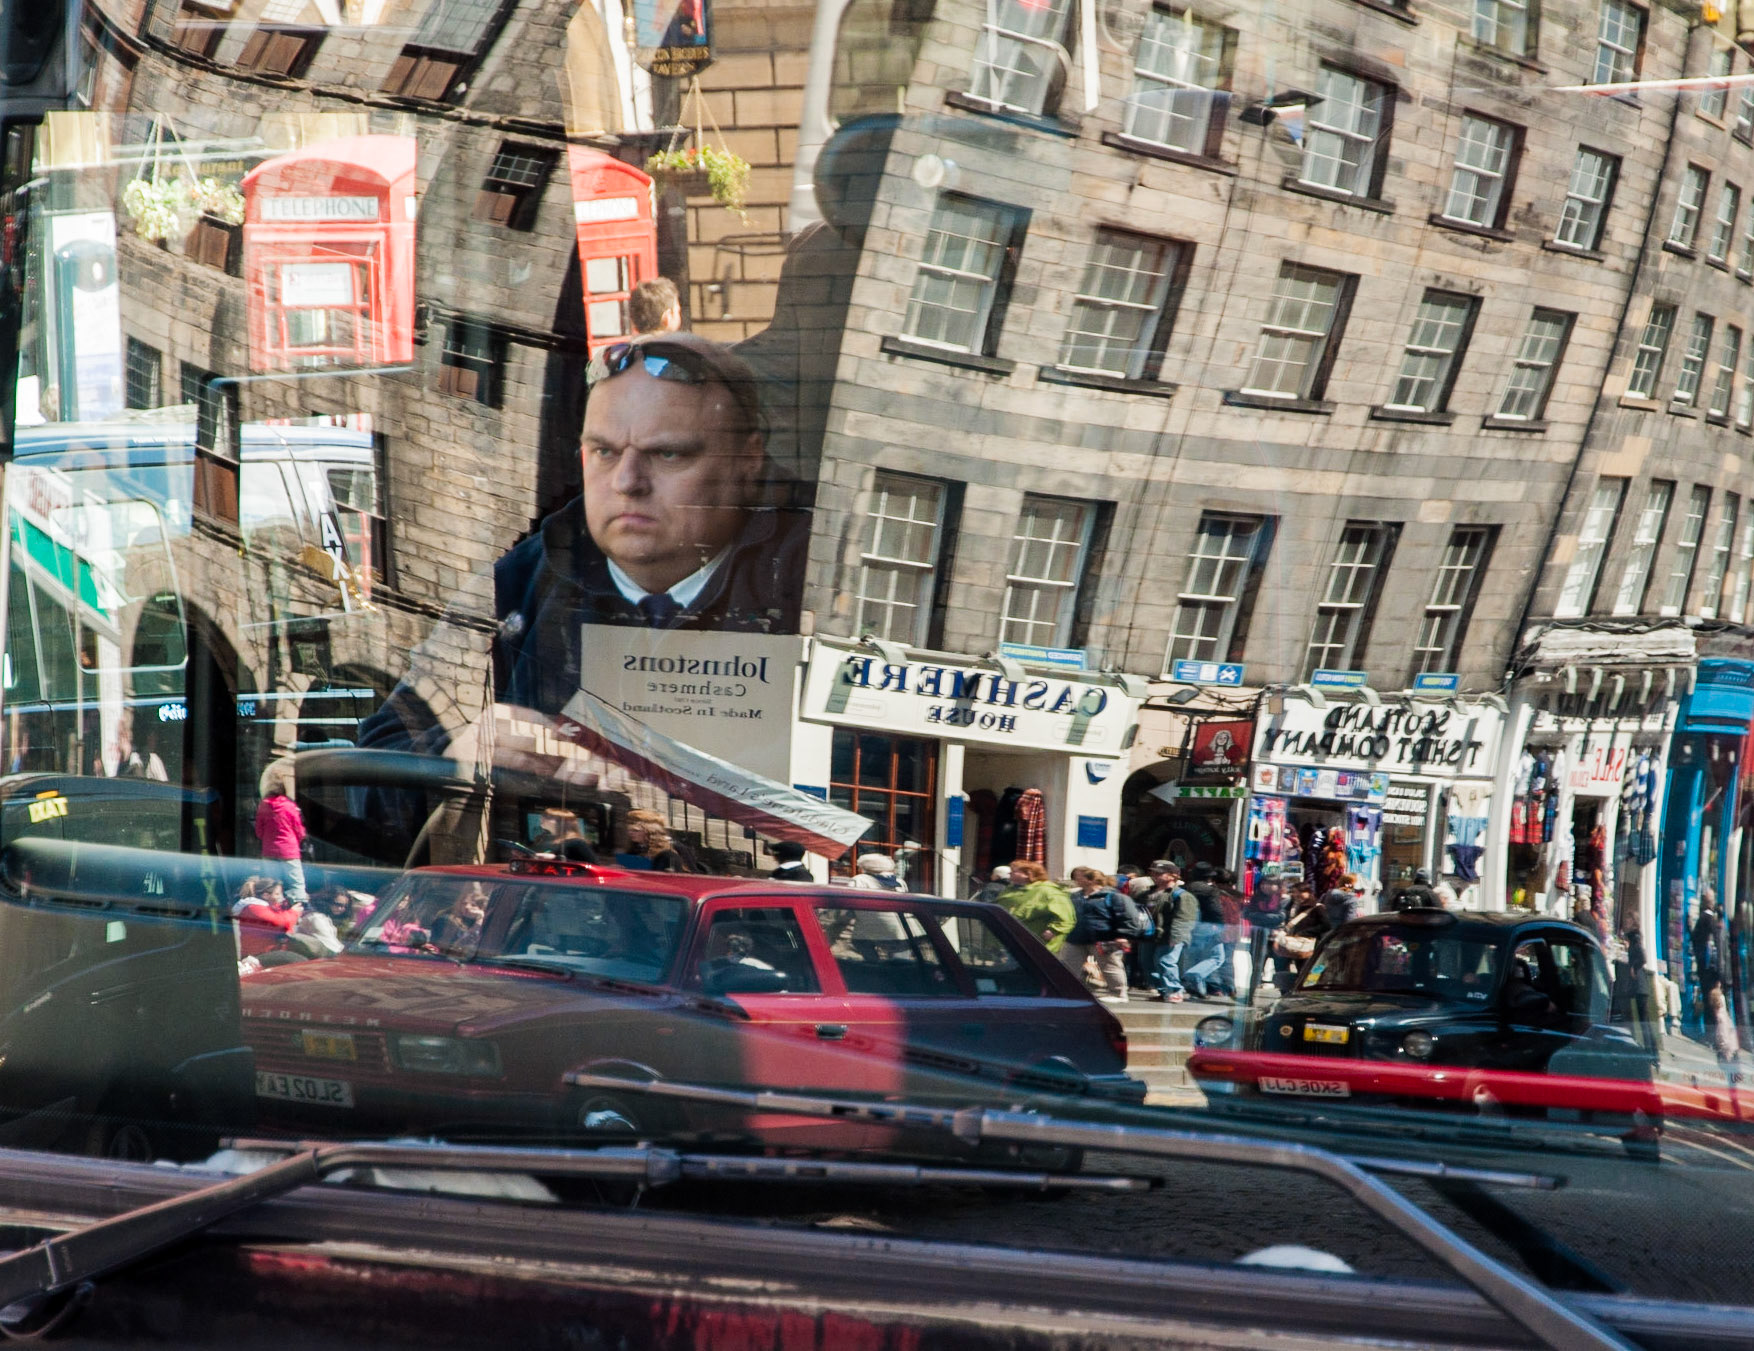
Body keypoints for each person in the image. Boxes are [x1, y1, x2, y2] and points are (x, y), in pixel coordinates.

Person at [1059, 867, 1128, 1003]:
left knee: (1109, 966)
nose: (1077, 880)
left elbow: (1123, 916)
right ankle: (1066, 991)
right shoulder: (1075, 895)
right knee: (1068, 965)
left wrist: (1122, 935)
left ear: (1091, 880)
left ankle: (1119, 994)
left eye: (1081, 877)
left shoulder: (1111, 895)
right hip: (1076, 936)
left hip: (1103, 937)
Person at [996, 859, 1076, 954]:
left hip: (1035, 946)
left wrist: (1053, 931)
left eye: (1014, 871)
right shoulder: (1010, 889)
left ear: (1027, 874)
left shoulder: (1048, 891)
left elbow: (1066, 917)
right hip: (1010, 942)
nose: (1009, 873)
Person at [1144, 860, 1197, 1002]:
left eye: (1159, 873)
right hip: (1150, 935)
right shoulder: (1149, 893)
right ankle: (1163, 990)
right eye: (1153, 872)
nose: (1154, 875)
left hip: (1169, 935)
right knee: (1149, 963)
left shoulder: (1181, 895)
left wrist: (1177, 937)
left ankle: (1175, 991)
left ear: (1173, 876)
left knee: (1165, 962)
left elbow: (1184, 918)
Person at [1180, 863, 1234, 1000]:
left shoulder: (1184, 888)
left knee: (1192, 957)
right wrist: (1220, 925)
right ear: (1209, 877)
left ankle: (1197, 989)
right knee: (1217, 957)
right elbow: (1215, 910)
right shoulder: (1210, 891)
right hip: (1208, 926)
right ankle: (1195, 975)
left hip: (1189, 925)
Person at [254, 769, 308, 905]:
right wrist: (299, 839)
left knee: (272, 884)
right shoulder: (290, 806)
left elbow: (259, 831)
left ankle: (275, 907)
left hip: (269, 850)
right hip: (289, 850)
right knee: (296, 883)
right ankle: (299, 906)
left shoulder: (263, 806)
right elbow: (299, 830)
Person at [1693, 893, 1727, 989]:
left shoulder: (1702, 918)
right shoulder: (1710, 919)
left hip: (1703, 963)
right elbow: (1718, 946)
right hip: (1709, 967)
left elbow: (1694, 937)